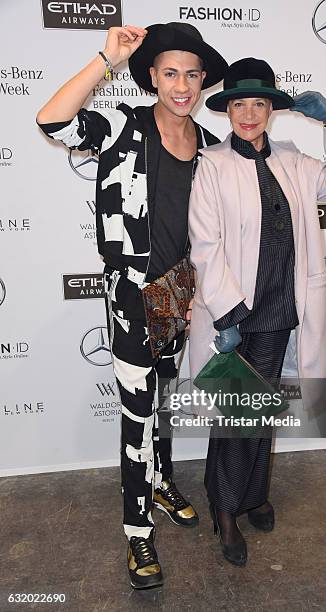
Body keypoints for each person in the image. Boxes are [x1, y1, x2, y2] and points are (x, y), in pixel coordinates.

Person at [36, 22, 227, 589]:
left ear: (202, 82)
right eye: (170, 72)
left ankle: (164, 480)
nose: (182, 84)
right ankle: (137, 533)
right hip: (131, 295)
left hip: (183, 293)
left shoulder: (213, 150)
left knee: (165, 398)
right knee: (137, 414)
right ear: (151, 76)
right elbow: (52, 120)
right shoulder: (123, 124)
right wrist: (105, 58)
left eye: (192, 74)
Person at [188, 58, 326, 566]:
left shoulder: (294, 161)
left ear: (271, 110)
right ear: (228, 111)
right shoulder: (212, 165)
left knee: (264, 413)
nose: (248, 113)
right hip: (240, 315)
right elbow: (204, 244)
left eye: (258, 104)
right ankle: (224, 509)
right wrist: (227, 313)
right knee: (237, 416)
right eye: (239, 104)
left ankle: (252, 495)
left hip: (287, 310)